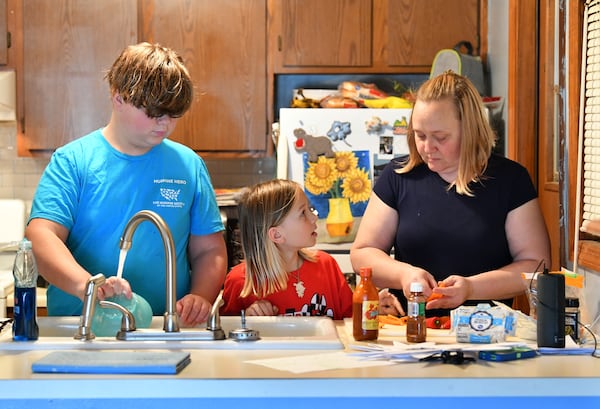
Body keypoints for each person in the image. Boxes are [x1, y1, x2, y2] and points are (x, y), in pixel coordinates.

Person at [25, 42, 228, 326]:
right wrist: (88, 287)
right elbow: (42, 236)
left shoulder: (188, 165)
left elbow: (210, 250)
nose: (164, 124)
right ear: (117, 97)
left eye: (173, 115)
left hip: (165, 325)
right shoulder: (73, 161)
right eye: (154, 113)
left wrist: (201, 296)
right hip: (82, 326)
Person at [350, 71, 551, 317]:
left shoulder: (511, 180)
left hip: (489, 335)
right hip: (412, 332)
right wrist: (404, 274)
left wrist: (471, 288)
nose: (426, 147)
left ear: (470, 130)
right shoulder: (398, 176)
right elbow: (362, 253)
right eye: (420, 135)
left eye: (440, 137)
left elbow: (536, 267)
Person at [220, 179, 402, 319]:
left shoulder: (326, 265)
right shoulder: (241, 281)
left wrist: (373, 305)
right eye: (303, 213)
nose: (314, 218)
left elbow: (349, 319)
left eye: (311, 209)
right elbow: (227, 339)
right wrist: (249, 319)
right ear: (276, 235)